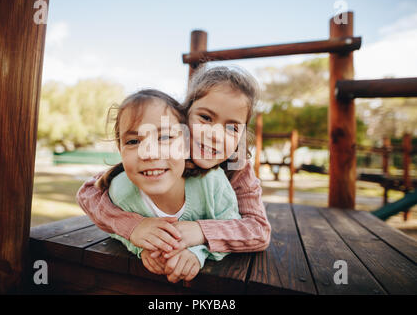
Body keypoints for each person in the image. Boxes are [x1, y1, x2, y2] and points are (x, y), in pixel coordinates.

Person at [77, 66, 272, 283]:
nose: (216, 135)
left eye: (232, 128)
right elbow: (89, 192)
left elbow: (258, 230)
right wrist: (134, 227)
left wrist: (200, 232)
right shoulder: (162, 155)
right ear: (183, 117)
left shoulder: (238, 167)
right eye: (206, 118)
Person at [93, 89, 241, 283]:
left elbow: (234, 229)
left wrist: (198, 251)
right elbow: (113, 229)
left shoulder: (212, 183)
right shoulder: (120, 191)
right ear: (120, 150)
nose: (149, 153)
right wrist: (140, 245)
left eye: (164, 137)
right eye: (133, 141)